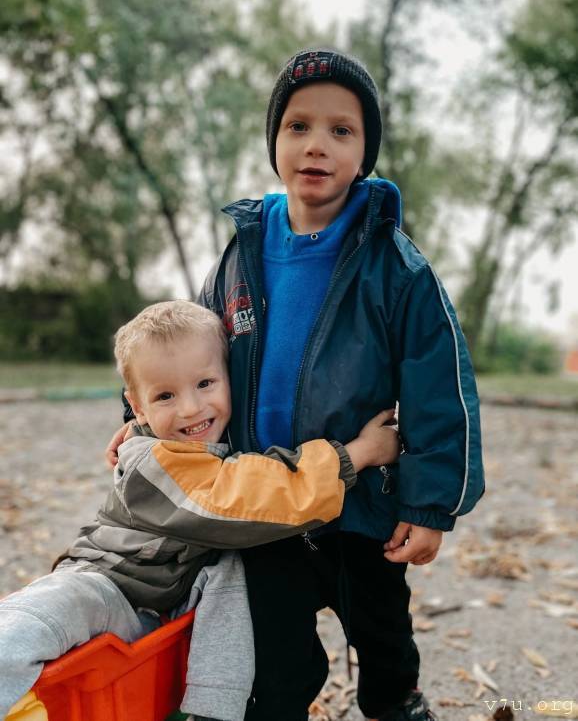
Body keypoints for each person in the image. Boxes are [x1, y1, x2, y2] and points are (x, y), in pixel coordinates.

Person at [194, 49, 485, 721]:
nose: (316, 145)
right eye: (297, 126)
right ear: (274, 140)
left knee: (382, 630)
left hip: (360, 506)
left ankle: (394, 699)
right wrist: (140, 418)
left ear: (364, 154)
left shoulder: (395, 266)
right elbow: (189, 347)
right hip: (267, 499)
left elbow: (440, 385)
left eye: (341, 130)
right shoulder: (241, 252)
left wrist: (430, 505)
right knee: (275, 653)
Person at [0, 300, 400, 721]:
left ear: (232, 379)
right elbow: (250, 495)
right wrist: (356, 454)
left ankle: (213, 712)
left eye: (205, 383)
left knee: (231, 574)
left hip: (166, 603)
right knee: (50, 611)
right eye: (165, 396)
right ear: (138, 407)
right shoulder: (150, 461)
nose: (190, 408)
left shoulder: (222, 446)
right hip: (112, 584)